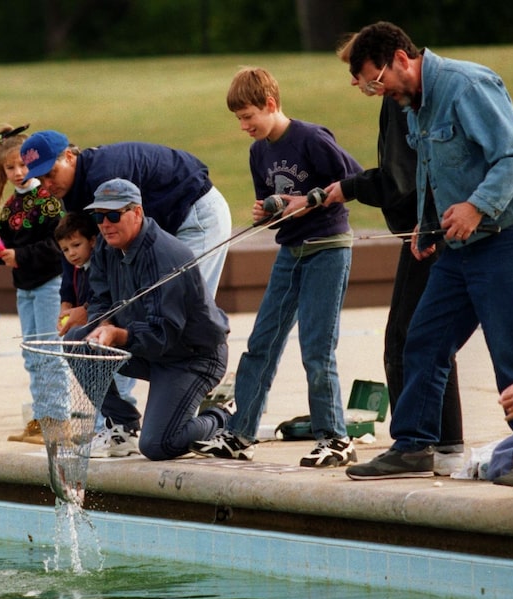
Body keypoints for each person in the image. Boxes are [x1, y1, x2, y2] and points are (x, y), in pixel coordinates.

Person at [342, 21, 513, 484]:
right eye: (368, 87)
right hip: (458, 244)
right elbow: (430, 170)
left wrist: (477, 207)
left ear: (401, 58)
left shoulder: (466, 85)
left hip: (507, 232)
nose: (378, 91)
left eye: (377, 80)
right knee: (423, 339)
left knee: (509, 347)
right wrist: (426, 221)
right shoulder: (413, 105)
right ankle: (414, 447)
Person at [190, 67, 362, 468]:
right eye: (238, 119)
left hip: (328, 248)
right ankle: (240, 433)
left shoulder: (311, 138)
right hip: (290, 251)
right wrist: (263, 211)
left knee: (317, 348)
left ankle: (336, 438)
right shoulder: (258, 152)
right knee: (261, 345)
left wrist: (310, 198)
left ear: (270, 104)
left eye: (248, 116)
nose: (244, 126)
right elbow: (273, 207)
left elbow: (354, 179)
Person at [323, 32, 464, 476]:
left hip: (436, 228)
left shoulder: (408, 95)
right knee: (427, 337)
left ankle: (415, 447)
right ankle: (446, 444)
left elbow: (398, 181)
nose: (365, 87)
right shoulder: (404, 93)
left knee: (407, 338)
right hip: (428, 224)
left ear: (395, 61)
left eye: (367, 78)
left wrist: (347, 188)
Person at [65, 178, 231, 461]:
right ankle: (122, 425)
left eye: (114, 215)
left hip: (192, 357)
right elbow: (101, 299)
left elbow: (163, 333)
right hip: (150, 349)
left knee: (157, 445)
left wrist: (117, 336)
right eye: (98, 216)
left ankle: (223, 418)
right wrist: (103, 325)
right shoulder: (107, 246)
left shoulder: (167, 256)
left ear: (137, 213)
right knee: (76, 343)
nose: (105, 224)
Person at [19, 130, 232, 298]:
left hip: (196, 213)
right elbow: (72, 241)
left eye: (50, 173)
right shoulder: (71, 190)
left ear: (69, 156)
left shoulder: (103, 177)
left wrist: (87, 310)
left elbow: (112, 251)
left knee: (185, 305)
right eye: (40, 178)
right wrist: (67, 299)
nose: (47, 185)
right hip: (166, 223)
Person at [0, 124, 68, 444]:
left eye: (23, 165)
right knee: (31, 353)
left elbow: (58, 245)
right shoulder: (9, 209)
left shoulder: (48, 198)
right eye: (10, 168)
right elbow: (5, 243)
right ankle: (40, 418)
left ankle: (58, 420)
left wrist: (18, 255)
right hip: (25, 287)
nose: (18, 172)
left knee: (49, 351)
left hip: (49, 284)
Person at [54, 210, 139, 456]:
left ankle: (122, 428)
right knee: (79, 353)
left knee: (119, 381)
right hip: (97, 331)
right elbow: (68, 288)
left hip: (119, 332)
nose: (71, 254)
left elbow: (108, 298)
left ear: (93, 240)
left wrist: (86, 310)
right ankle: (113, 426)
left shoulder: (105, 261)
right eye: (66, 249)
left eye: (76, 245)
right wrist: (67, 306)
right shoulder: (78, 266)